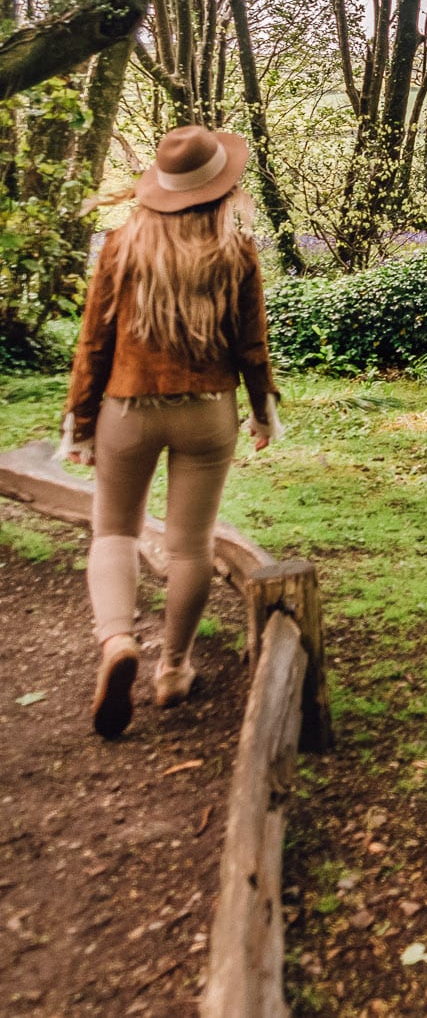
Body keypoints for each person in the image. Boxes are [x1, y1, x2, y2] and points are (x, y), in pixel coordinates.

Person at [60, 125, 282, 738]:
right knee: (190, 546)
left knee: (114, 531)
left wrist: (81, 424)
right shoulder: (237, 250)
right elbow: (252, 344)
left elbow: (94, 342)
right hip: (208, 411)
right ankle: (174, 670)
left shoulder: (121, 245)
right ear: (221, 190)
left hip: (127, 409)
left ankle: (117, 643)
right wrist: (263, 411)